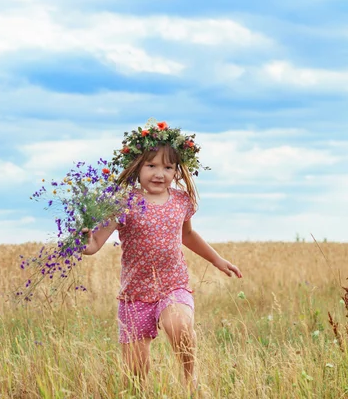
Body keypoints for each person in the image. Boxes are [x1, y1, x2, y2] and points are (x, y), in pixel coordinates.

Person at [82, 120, 242, 394]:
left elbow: (187, 235)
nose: (160, 173)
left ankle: (190, 378)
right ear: (136, 167)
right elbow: (95, 243)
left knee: (178, 324)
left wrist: (217, 260)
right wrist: (83, 241)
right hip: (134, 293)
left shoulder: (181, 201)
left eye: (168, 167)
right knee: (135, 374)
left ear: (177, 171)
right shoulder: (124, 203)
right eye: (152, 166)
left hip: (172, 284)